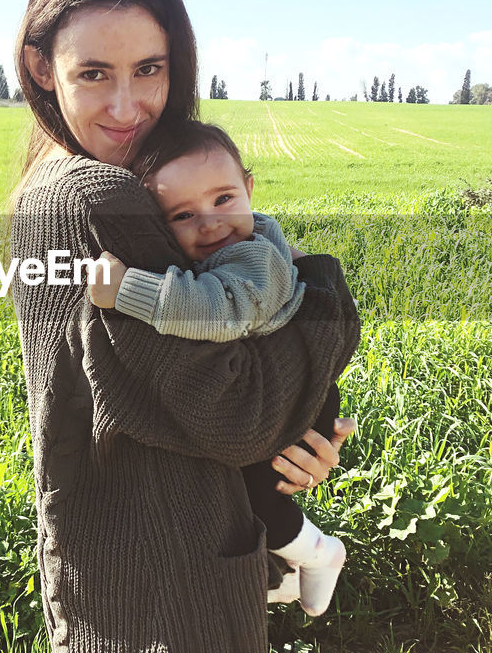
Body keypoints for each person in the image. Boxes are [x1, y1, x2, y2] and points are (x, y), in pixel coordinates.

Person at [7, 0, 362, 653]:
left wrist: (304, 430)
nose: (129, 105)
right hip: (166, 580)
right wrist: (329, 301)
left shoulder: (53, 188)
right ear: (39, 67)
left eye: (150, 69)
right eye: (93, 72)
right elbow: (237, 413)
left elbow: (220, 388)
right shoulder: (99, 201)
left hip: (128, 563)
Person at [84, 119, 357, 618]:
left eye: (224, 200)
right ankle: (286, 571)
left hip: (294, 394)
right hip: (287, 377)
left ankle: (319, 554)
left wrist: (127, 290)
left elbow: (219, 309)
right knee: (246, 497)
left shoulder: (251, 259)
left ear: (250, 189)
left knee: (260, 494)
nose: (209, 223)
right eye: (183, 214)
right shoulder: (253, 235)